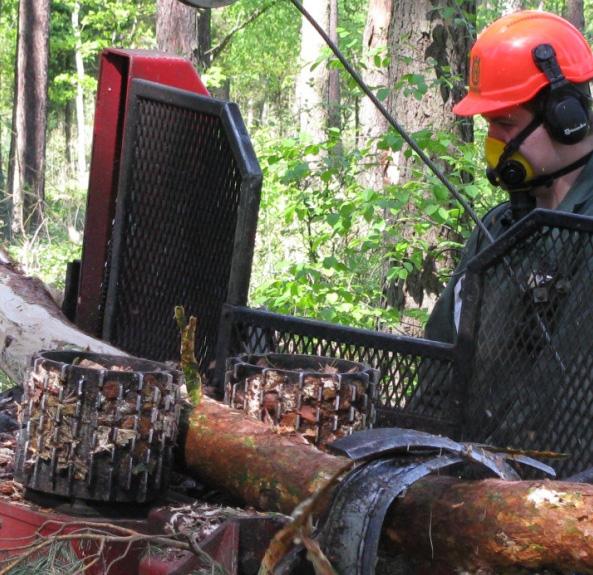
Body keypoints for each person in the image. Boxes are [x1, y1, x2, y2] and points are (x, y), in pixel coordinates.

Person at [425, 10, 593, 343]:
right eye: (487, 125)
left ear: (566, 118)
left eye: (503, 124)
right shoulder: (496, 230)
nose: (493, 142)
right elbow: (440, 361)